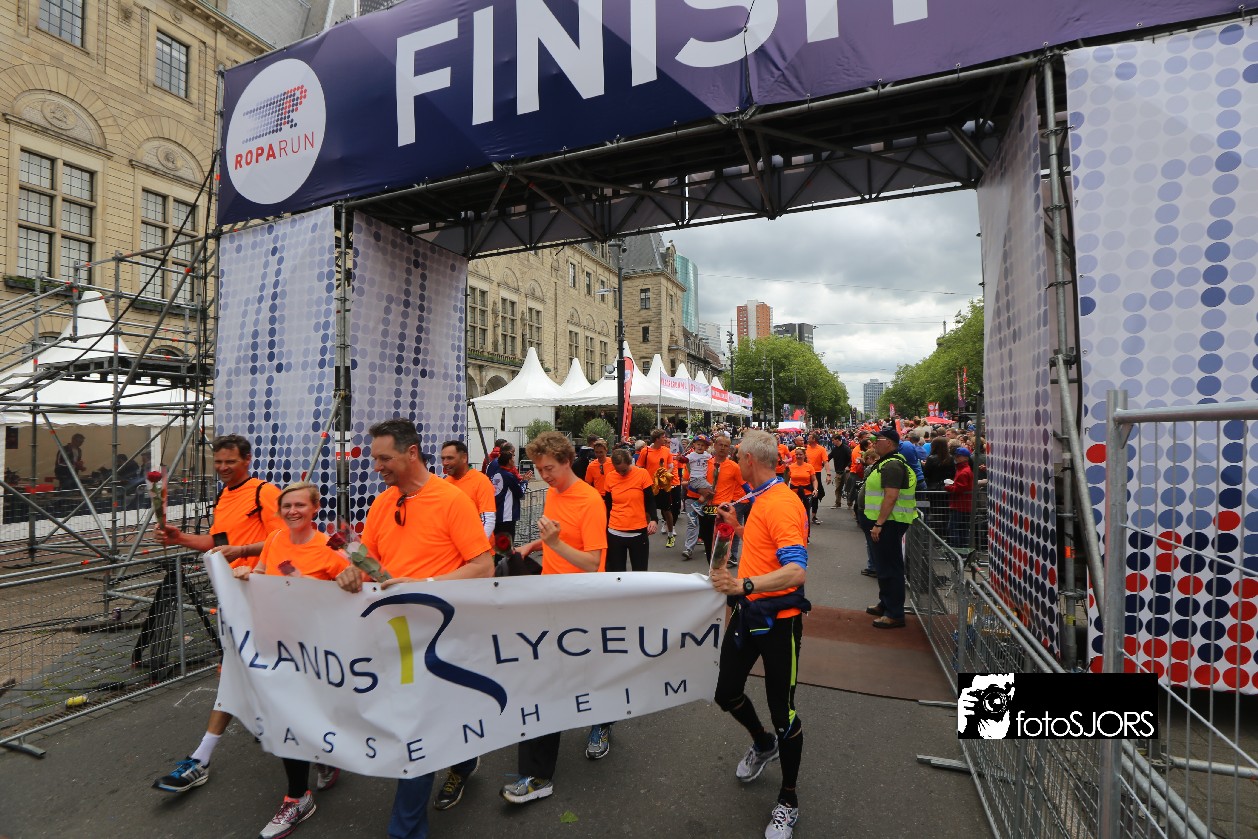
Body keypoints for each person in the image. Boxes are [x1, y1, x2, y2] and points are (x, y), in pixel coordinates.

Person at [334, 419, 493, 834]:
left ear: (411, 453)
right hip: (396, 637)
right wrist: (351, 572)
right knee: (429, 720)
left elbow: (483, 567)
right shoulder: (383, 503)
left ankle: (404, 830)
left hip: (442, 636)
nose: (376, 467)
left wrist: (423, 586)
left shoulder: (452, 500)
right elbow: (369, 560)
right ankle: (463, 761)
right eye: (375, 459)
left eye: (384, 458)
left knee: (416, 731)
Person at [152, 435, 285, 794]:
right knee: (244, 672)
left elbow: (283, 539)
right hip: (234, 599)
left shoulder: (263, 493)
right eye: (219, 462)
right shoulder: (225, 496)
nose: (223, 468)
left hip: (265, 598)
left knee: (256, 672)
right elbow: (217, 542)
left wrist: (243, 552)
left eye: (231, 462)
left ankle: (203, 758)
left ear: (248, 460)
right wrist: (180, 538)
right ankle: (304, 743)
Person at [232, 481, 349, 839]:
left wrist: (349, 578)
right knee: (287, 719)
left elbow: (349, 598)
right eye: (287, 506)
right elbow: (264, 576)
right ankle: (300, 794)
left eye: (300, 505)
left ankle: (311, 777)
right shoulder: (274, 540)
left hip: (316, 653)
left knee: (304, 717)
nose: (292, 511)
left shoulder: (330, 550)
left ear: (315, 508)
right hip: (278, 647)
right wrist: (247, 575)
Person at [709, 429, 809, 839]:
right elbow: (765, 546)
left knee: (783, 712)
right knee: (725, 692)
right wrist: (738, 527)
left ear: (750, 459)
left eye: (738, 456)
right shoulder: (762, 497)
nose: (735, 461)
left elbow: (796, 570)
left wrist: (743, 585)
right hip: (748, 612)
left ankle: (789, 800)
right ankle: (762, 743)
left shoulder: (781, 503)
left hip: (779, 620)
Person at [504, 431, 608, 799]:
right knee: (545, 682)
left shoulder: (590, 500)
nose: (543, 475)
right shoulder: (553, 493)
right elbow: (555, 540)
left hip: (581, 603)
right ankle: (537, 774)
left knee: (585, 674)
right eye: (538, 469)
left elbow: (593, 562)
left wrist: (554, 544)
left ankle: (601, 723)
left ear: (567, 461)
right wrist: (534, 545)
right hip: (549, 599)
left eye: (549, 468)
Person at [860, 428, 918, 630]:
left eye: (878, 439)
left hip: (889, 523)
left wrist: (879, 524)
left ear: (890, 443)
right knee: (883, 565)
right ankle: (886, 604)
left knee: (890, 567)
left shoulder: (893, 464)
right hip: (886, 522)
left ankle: (894, 613)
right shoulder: (887, 462)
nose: (874, 442)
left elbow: (891, 496)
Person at [603, 448, 658, 573]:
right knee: (617, 575)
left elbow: (650, 500)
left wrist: (654, 519)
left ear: (630, 463)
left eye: (624, 470)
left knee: (640, 574)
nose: (621, 473)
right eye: (618, 470)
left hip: (638, 533)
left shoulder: (642, 474)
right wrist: (604, 528)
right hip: (615, 532)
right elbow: (608, 506)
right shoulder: (610, 477)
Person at [441, 439, 496, 538]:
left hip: (477, 545)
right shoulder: (445, 483)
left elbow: (488, 520)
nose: (445, 463)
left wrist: (477, 544)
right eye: (443, 458)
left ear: (464, 458)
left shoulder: (481, 481)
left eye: (450, 458)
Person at [637, 428, 679, 547]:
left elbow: (671, 467)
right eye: (663, 437)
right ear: (657, 439)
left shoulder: (667, 451)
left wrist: (664, 475)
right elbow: (639, 467)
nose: (665, 439)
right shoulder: (645, 451)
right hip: (649, 487)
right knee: (647, 513)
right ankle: (643, 538)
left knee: (667, 511)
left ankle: (670, 535)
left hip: (663, 487)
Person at [680, 435, 714, 561]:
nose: (700, 447)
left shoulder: (709, 459)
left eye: (703, 445)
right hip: (691, 497)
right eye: (698, 444)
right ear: (694, 445)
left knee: (707, 524)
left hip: (707, 500)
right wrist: (695, 487)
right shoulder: (690, 461)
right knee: (692, 523)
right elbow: (684, 482)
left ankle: (709, 546)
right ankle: (688, 549)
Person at [488, 443, 525, 541]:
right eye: (513, 457)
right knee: (506, 544)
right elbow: (520, 493)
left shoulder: (496, 472)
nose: (514, 460)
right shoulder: (508, 475)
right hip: (507, 515)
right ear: (509, 461)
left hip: (497, 512)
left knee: (499, 544)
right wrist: (525, 482)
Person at [785, 448, 819, 539]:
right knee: (793, 514)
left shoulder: (809, 467)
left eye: (800, 454)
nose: (798, 456)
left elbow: (814, 480)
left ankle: (806, 535)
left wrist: (815, 489)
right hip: (794, 494)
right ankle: (794, 534)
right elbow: (786, 482)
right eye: (797, 455)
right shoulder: (791, 467)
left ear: (804, 456)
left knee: (805, 514)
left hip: (806, 493)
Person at [945, 447, 974, 547]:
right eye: (956, 456)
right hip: (963, 504)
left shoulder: (963, 471)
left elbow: (959, 489)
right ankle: (963, 549)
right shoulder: (963, 469)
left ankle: (957, 549)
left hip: (960, 505)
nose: (956, 458)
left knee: (954, 528)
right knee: (962, 529)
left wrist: (948, 487)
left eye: (958, 456)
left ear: (965, 458)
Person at [583, 438, 612, 518]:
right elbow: (588, 484)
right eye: (596, 452)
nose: (599, 455)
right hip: (598, 498)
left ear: (606, 451)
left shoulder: (613, 463)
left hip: (612, 497)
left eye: (601, 452)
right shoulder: (591, 466)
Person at [804, 433, 829, 524]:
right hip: (805, 473)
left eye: (809, 437)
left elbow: (825, 462)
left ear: (814, 439)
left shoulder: (821, 449)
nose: (807, 439)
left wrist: (828, 474)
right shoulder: (805, 448)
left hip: (816, 473)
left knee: (815, 495)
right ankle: (804, 515)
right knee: (805, 494)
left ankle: (814, 516)